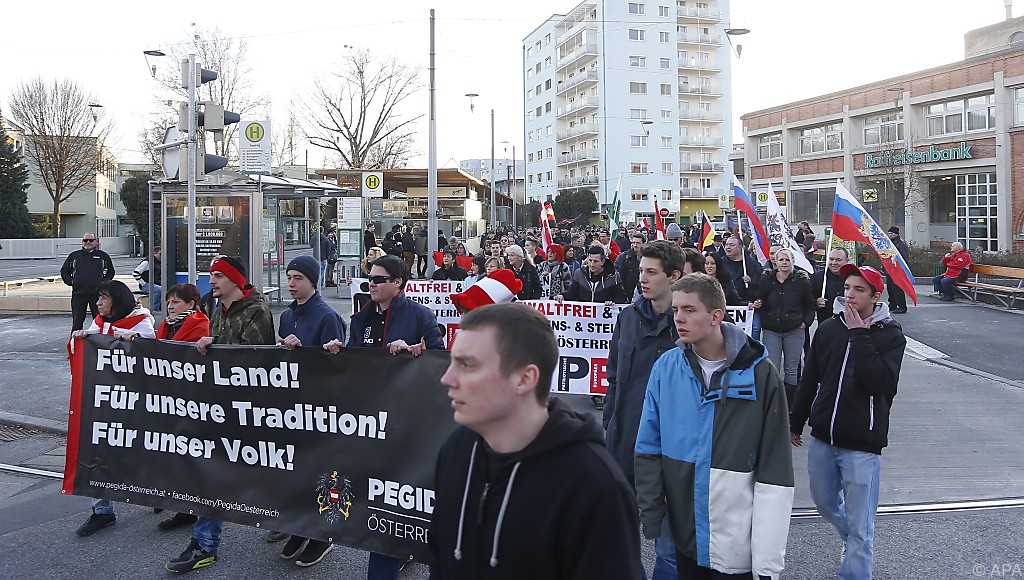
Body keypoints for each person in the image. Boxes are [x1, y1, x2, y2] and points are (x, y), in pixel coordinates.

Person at [429, 303, 643, 579]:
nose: (447, 379)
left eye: (467, 365)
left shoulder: (595, 486)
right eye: (452, 363)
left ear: (525, 378)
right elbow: (440, 557)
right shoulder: (458, 448)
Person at [635, 273, 793, 580]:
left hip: (736, 549)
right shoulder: (666, 368)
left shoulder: (761, 374)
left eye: (689, 310)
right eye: (676, 309)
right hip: (685, 540)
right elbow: (648, 447)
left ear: (715, 316)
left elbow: (776, 473)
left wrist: (767, 563)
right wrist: (653, 514)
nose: (678, 318)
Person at [325, 255, 443, 579]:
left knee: (402, 499)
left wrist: (417, 353)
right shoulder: (361, 318)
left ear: (397, 283)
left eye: (378, 279)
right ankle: (397, 550)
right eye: (369, 279)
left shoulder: (420, 315)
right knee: (383, 500)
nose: (371, 284)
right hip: (373, 424)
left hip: (410, 424)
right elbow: (354, 365)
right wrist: (339, 352)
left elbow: (442, 362)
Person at [790, 265, 906, 580]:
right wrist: (796, 420)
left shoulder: (891, 335)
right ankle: (853, 537)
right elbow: (810, 376)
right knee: (824, 502)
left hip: (862, 442)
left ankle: (856, 561)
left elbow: (879, 382)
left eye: (858, 290)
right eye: (847, 288)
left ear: (875, 296)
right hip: (824, 435)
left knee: (861, 524)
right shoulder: (829, 328)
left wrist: (859, 335)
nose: (849, 295)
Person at [168, 256, 275, 573]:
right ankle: (204, 544)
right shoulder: (220, 310)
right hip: (221, 410)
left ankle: (297, 522)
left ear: (234, 280)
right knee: (211, 476)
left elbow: (254, 362)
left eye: (217, 276)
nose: (211, 281)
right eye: (211, 275)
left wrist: (215, 342)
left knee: (268, 475)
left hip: (250, 412)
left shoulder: (257, 311)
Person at [603, 241, 685, 579]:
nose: (643, 279)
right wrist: (610, 423)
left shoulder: (687, 325)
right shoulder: (628, 317)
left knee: (668, 546)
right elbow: (613, 376)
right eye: (641, 271)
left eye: (651, 272)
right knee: (618, 538)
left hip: (670, 447)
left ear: (674, 277)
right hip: (624, 440)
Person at [276, 255, 347, 567]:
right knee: (297, 469)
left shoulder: (327, 316)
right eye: (289, 277)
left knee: (325, 472)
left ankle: (324, 533)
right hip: (293, 405)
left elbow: (340, 366)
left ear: (313, 281)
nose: (291, 283)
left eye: (298, 278)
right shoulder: (287, 315)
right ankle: (301, 526)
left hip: (321, 405)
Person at [72, 280, 156, 537]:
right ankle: (102, 510)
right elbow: (92, 346)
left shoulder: (141, 322)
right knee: (99, 451)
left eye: (103, 298)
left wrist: (136, 341)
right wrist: (84, 338)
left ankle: (159, 494)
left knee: (145, 451)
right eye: (98, 298)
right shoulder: (99, 321)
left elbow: (154, 351)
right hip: (105, 399)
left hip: (136, 401)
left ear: (117, 300)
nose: (98, 303)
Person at [150, 283, 209, 532]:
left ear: (191, 304)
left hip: (193, 400)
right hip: (170, 399)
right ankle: (175, 498)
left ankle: (190, 508)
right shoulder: (166, 325)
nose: (170, 306)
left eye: (176, 302)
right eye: (169, 302)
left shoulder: (200, 324)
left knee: (190, 455)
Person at [753, 248, 816, 407]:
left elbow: (810, 304)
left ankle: (790, 403)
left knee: (791, 368)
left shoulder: (801, 281)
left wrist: (805, 323)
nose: (784, 263)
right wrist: (759, 303)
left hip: (794, 329)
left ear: (792, 262)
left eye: (787, 260)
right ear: (776, 262)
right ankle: (773, 400)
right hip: (771, 329)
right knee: (773, 366)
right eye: (781, 260)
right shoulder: (767, 279)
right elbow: (762, 299)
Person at [61, 232, 115, 331]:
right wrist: (72, 281)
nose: (88, 242)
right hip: (78, 294)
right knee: (77, 322)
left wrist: (103, 283)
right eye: (85, 240)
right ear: (82, 242)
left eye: (91, 240)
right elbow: (64, 271)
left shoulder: (103, 256)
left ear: (96, 242)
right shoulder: (74, 256)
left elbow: (111, 272)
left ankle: (102, 343)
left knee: (100, 320)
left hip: (97, 295)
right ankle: (75, 344)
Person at [721, 236, 763, 340]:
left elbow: (761, 284)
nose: (727, 247)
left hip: (749, 306)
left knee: (754, 330)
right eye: (726, 244)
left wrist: (751, 280)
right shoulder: (720, 263)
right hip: (728, 306)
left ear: (741, 247)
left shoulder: (753, 264)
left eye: (732, 245)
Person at [556, 245, 628, 306]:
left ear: (602, 262)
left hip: (603, 317)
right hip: (584, 316)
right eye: (590, 260)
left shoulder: (614, 276)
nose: (592, 264)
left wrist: (613, 302)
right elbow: (572, 293)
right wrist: (563, 296)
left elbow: (621, 296)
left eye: (595, 261)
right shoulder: (579, 273)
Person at [811, 247, 850, 326]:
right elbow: (808, 301)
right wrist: (816, 303)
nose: (834, 263)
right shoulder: (818, 277)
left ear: (847, 261)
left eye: (838, 260)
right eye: (831, 259)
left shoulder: (852, 278)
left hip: (848, 324)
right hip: (825, 324)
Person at [885, 227, 910, 313]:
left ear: (896, 234)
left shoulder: (901, 244)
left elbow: (904, 258)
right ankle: (892, 304)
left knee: (897, 289)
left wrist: (899, 266)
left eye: (891, 233)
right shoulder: (889, 243)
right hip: (889, 269)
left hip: (897, 269)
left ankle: (902, 306)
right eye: (889, 233)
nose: (890, 235)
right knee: (890, 288)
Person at [132, 246, 163, 312]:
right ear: (155, 253)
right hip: (147, 284)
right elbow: (135, 273)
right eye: (160, 254)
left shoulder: (160, 262)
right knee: (159, 290)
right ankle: (154, 308)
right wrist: (143, 283)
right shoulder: (147, 262)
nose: (162, 256)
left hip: (155, 283)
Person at [615, 232, 644, 299]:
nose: (635, 245)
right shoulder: (624, 257)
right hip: (627, 294)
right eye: (633, 243)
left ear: (644, 244)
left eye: (638, 243)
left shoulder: (648, 258)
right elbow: (618, 275)